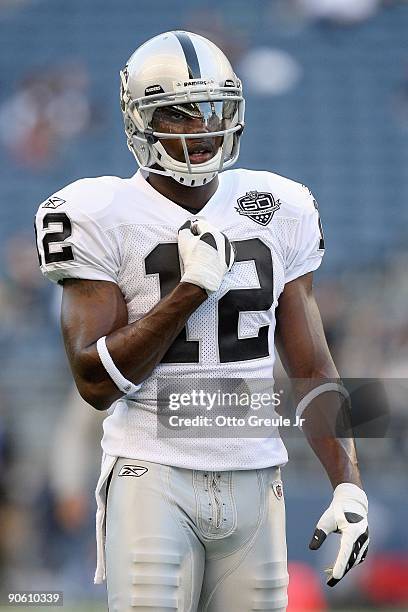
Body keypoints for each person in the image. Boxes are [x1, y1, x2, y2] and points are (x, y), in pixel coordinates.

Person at [34, 31, 369, 612]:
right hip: (152, 473)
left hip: (257, 475)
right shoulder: (98, 213)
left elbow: (312, 365)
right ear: (140, 122)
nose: (200, 130)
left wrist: (348, 482)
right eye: (178, 115)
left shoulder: (279, 205)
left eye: (212, 110)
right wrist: (189, 291)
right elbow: (94, 381)